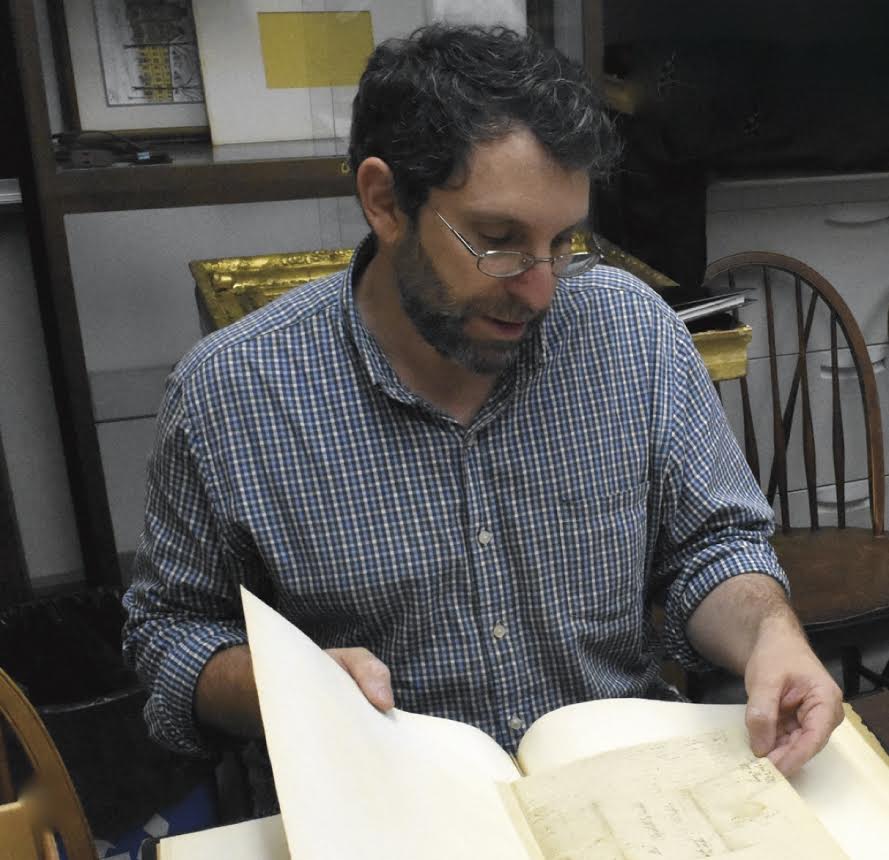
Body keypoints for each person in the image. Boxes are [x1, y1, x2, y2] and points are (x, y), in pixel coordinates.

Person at [122, 24, 842, 797]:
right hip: (386, 808)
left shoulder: (630, 334)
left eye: (562, 240)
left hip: (621, 791)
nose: (539, 287)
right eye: (498, 241)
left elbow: (711, 547)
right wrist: (276, 687)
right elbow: (171, 634)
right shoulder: (232, 394)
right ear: (384, 200)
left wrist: (770, 637)